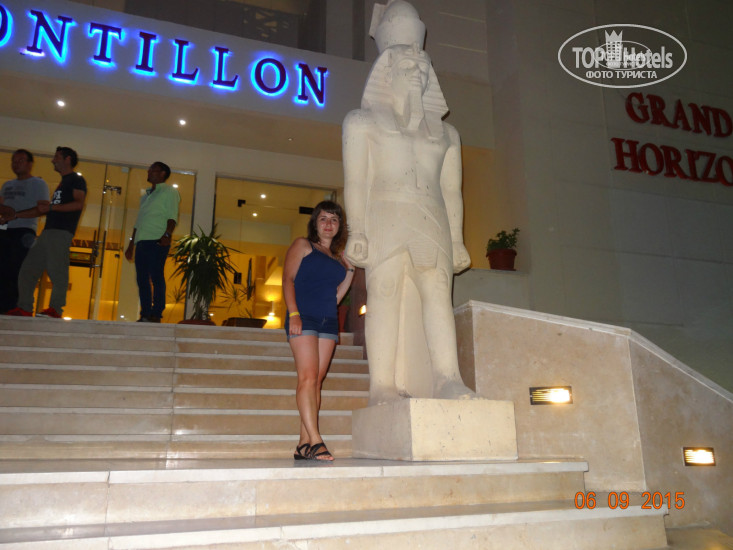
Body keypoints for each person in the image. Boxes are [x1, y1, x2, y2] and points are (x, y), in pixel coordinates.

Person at [342, 0, 474, 405]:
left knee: (438, 292)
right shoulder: (361, 123)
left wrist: (457, 240)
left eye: (423, 67)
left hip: (431, 215)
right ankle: (381, 386)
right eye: (407, 65)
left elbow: (452, 191)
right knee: (384, 290)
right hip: (386, 213)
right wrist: (357, 230)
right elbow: (356, 181)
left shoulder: (448, 135)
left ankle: (448, 378)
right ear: (386, 72)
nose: (417, 72)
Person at [283, 200, 354, 461]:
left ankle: (303, 444)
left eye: (334, 220)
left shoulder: (335, 258)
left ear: (339, 226)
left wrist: (350, 269)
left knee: (316, 382)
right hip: (304, 317)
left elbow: (336, 297)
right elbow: (287, 279)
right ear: (315, 222)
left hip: (328, 320)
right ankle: (316, 440)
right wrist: (293, 313)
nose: (328, 224)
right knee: (307, 378)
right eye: (323, 218)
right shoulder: (303, 245)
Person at [5, 146, 86, 318]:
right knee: (27, 270)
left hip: (61, 232)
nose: (52, 160)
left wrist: (51, 207)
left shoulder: (76, 180)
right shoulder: (64, 182)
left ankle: (55, 309)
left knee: (57, 271)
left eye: (56, 157)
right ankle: (25, 308)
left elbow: (79, 204)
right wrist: (48, 208)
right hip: (48, 232)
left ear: (67, 160)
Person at [124, 162, 180, 322]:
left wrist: (167, 235)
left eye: (153, 170)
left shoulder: (170, 192)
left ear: (162, 173)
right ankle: (145, 313)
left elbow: (172, 216)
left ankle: (156, 313)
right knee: (141, 279)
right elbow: (138, 222)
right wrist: (131, 245)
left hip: (158, 240)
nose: (149, 172)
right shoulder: (146, 196)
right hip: (141, 242)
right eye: (149, 169)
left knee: (156, 276)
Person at [0, 149, 50, 313]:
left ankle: (15, 309)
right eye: (14, 161)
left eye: (20, 160)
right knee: (2, 270)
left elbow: (43, 208)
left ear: (29, 164)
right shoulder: (7, 185)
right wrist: (5, 213)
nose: (16, 164)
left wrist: (15, 215)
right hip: (4, 231)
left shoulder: (38, 183)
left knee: (17, 271)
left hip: (23, 232)